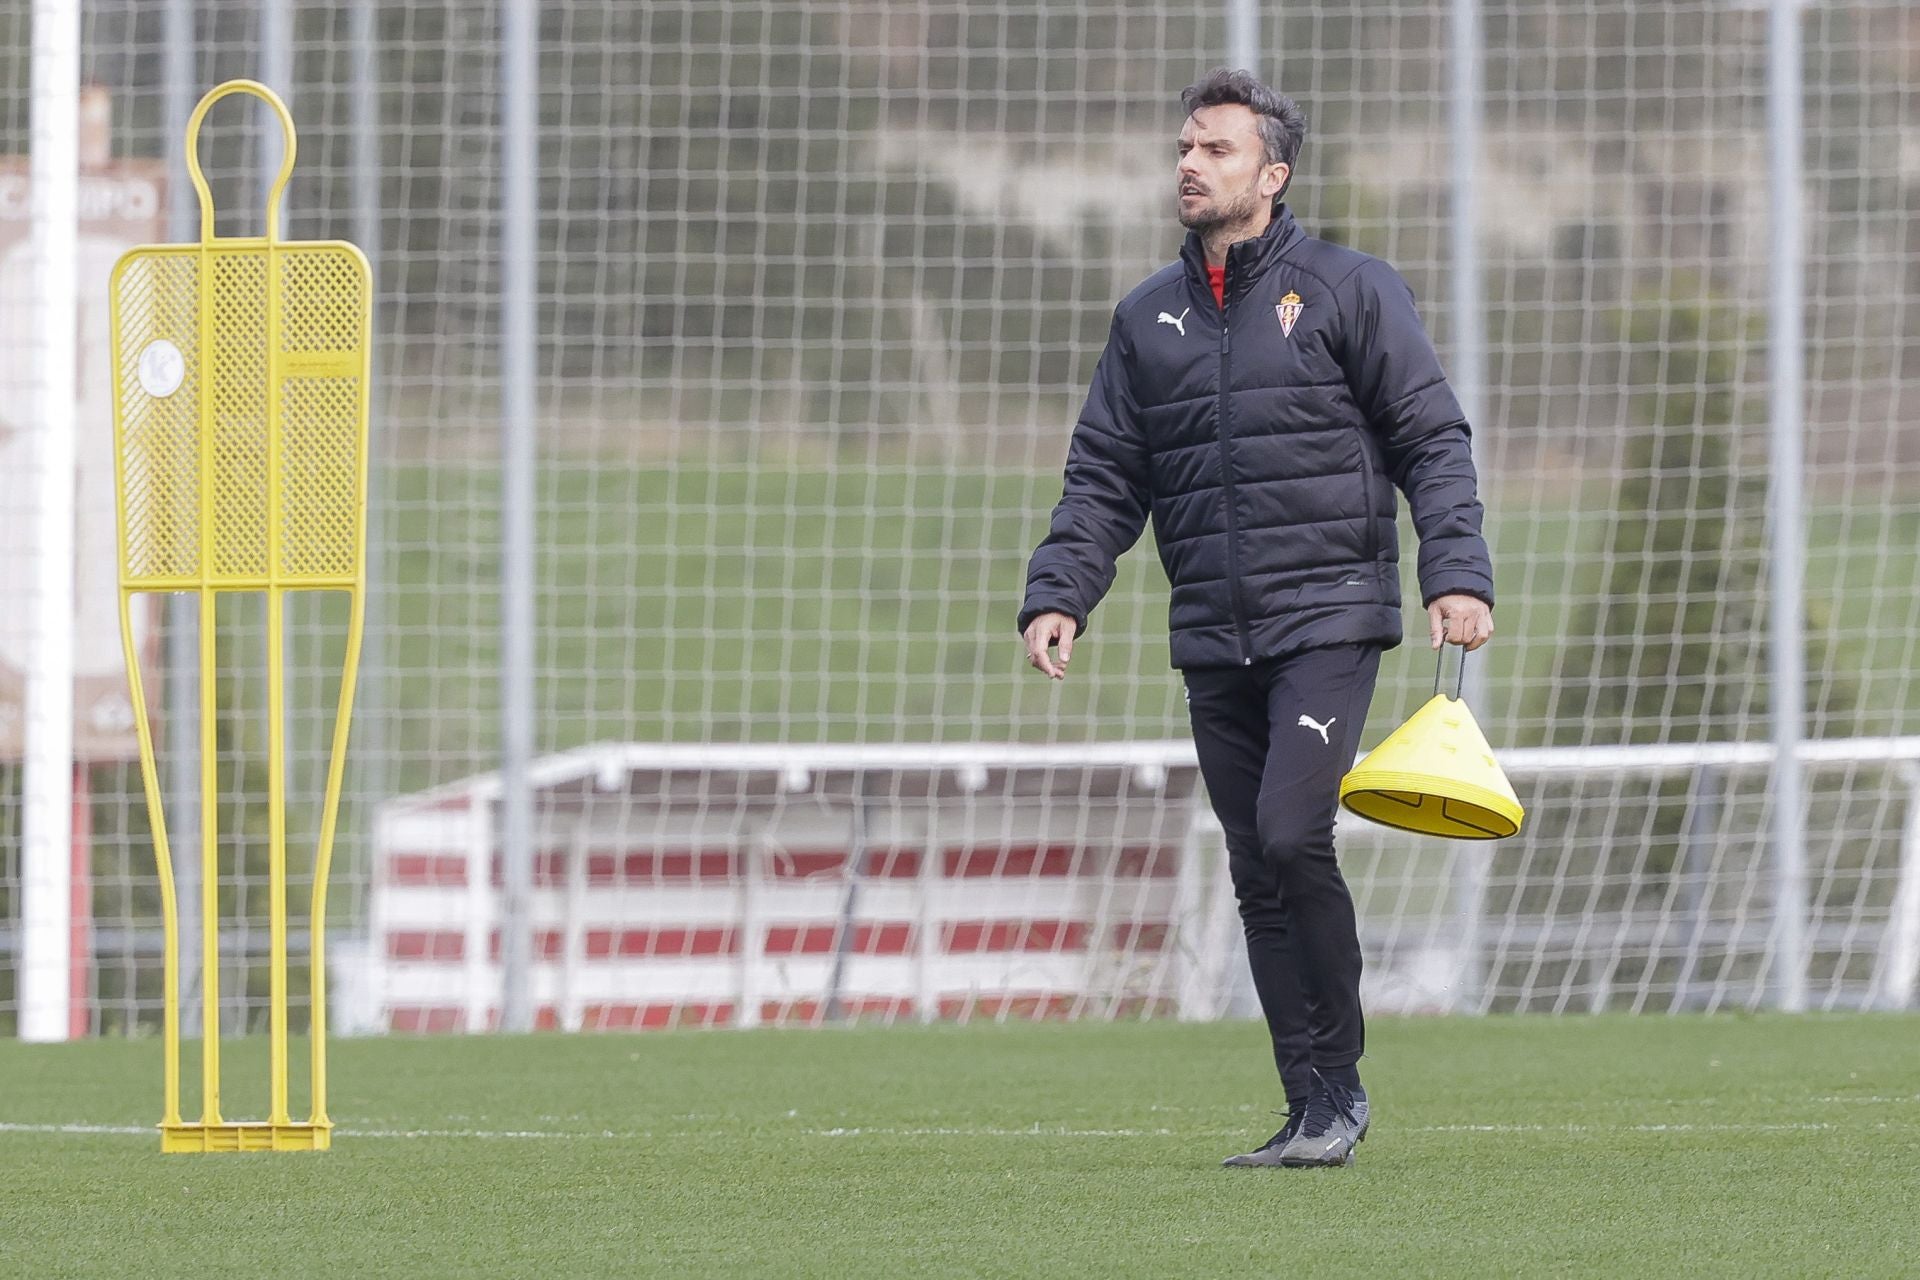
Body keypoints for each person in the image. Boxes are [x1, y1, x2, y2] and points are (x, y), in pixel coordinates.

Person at [1017, 69, 1495, 1169]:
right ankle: (1312, 1101)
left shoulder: (1350, 289)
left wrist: (1455, 574)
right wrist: (1060, 592)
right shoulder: (1147, 318)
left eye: (1218, 149)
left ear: (1272, 176)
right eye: (1186, 145)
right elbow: (1104, 476)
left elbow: (1432, 438)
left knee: (1291, 832)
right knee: (1252, 864)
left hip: (1328, 614)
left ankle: (1342, 1082)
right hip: (1212, 633)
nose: (1191, 163)